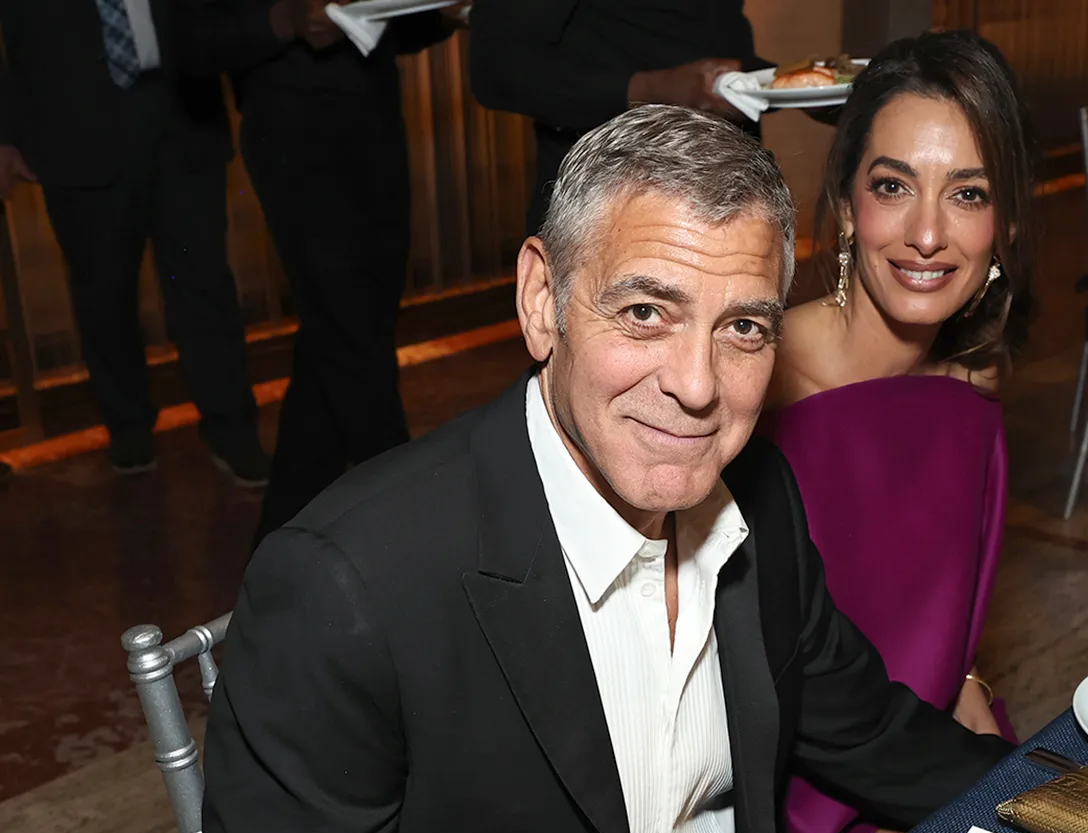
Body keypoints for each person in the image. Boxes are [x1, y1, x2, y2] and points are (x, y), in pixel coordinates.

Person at [185, 105, 1010, 833]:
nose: (698, 388)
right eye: (648, 311)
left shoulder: (758, 506)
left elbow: (879, 738)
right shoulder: (347, 584)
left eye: (743, 328)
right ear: (543, 301)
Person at [756, 30, 1036, 833]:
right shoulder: (758, 382)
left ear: (1006, 227)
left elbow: (945, 656)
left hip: (927, 767)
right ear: (844, 205)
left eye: (967, 194)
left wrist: (980, 716)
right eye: (892, 186)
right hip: (775, 816)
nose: (926, 233)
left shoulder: (971, 388)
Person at [172, 0, 454, 545]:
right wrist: (284, 20)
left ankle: (280, 541)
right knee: (353, 342)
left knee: (345, 336)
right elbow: (192, 45)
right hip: (292, 139)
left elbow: (388, 23)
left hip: (375, 127)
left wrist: (444, 13)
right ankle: (420, 539)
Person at [0, 0, 268, 481]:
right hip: (72, 126)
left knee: (202, 282)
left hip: (181, 113)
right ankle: (127, 426)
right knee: (103, 292)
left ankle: (233, 430)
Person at [467, 0, 766, 235]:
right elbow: (496, 69)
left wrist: (792, 87)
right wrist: (649, 89)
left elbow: (704, 43)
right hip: (610, 198)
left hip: (733, 189)